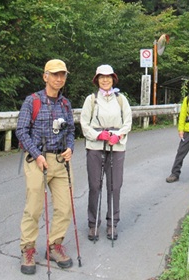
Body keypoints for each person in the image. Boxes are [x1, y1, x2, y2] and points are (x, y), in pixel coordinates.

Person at [16, 59, 76, 275]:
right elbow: (21, 130)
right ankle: (28, 249)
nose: (59, 78)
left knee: (65, 207)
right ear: (45, 77)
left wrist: (70, 148)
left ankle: (54, 245)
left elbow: (71, 130)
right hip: (37, 161)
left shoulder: (65, 104)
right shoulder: (32, 101)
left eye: (62, 75)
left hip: (61, 161)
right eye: (55, 74)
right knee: (34, 207)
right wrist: (36, 154)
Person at [80, 65, 132, 242]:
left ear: (113, 79)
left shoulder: (121, 99)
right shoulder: (91, 99)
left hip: (116, 146)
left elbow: (128, 122)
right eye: (101, 77)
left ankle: (112, 223)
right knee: (95, 185)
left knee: (114, 185)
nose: (105, 80)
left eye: (108, 77)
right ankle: (93, 223)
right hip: (95, 146)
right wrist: (97, 135)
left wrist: (118, 135)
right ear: (97, 80)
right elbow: (84, 123)